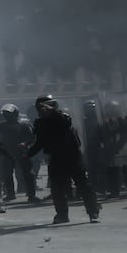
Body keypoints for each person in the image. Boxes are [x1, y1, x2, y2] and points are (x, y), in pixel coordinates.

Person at [28, 95, 100, 224]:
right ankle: (62, 215)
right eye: (42, 108)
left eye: (48, 106)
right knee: (57, 188)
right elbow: (40, 141)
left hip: (72, 156)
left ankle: (93, 211)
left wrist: (52, 112)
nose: (44, 110)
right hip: (56, 157)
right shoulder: (40, 123)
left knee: (83, 184)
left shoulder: (63, 117)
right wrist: (28, 154)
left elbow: (66, 123)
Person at [0, 104, 39, 203]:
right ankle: (10, 194)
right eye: (5, 114)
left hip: (21, 152)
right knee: (7, 175)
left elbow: (31, 137)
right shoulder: (2, 125)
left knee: (28, 174)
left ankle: (31, 195)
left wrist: (24, 143)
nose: (7, 116)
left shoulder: (23, 124)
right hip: (8, 152)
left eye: (8, 114)